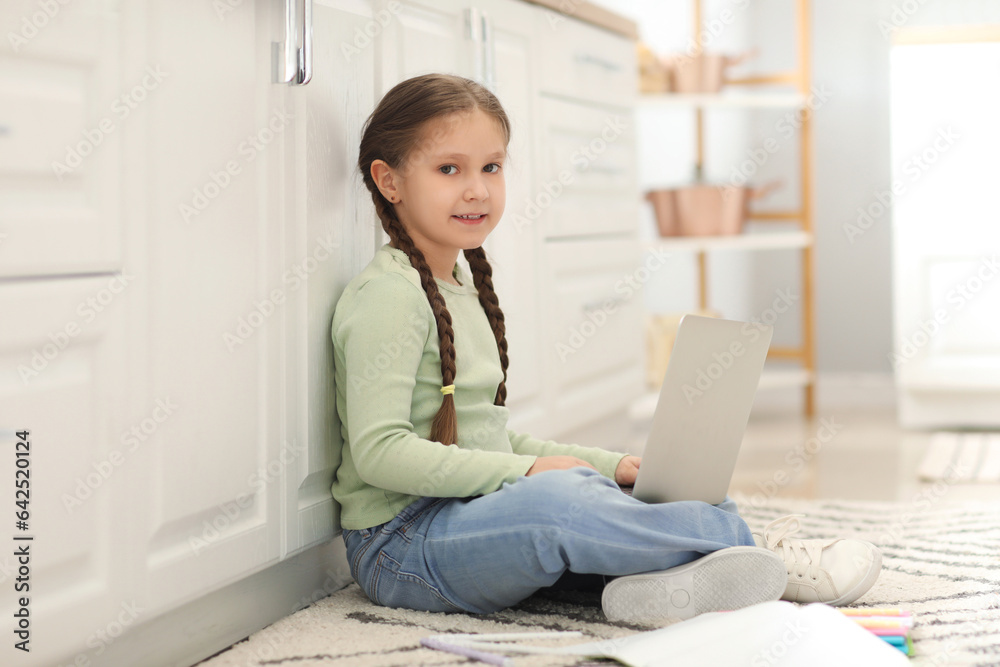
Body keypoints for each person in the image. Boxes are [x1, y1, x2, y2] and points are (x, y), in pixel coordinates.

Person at [330, 72, 881, 623]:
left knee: (670, 492)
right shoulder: (389, 297)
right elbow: (380, 454)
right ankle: (764, 559)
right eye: (449, 168)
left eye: (491, 167)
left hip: (470, 516)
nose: (477, 188)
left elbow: (491, 436)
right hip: (402, 548)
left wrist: (613, 466)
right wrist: (532, 474)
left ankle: (661, 583)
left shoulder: (458, 288)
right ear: (390, 181)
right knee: (559, 500)